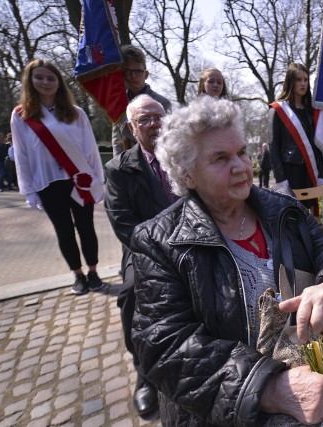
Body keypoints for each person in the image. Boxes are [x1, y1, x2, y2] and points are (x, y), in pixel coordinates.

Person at [130, 96, 323, 424]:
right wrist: (269, 386)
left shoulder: (282, 207)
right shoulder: (157, 242)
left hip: (321, 375)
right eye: (221, 158)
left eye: (241, 153)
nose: (241, 166)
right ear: (187, 174)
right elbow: (165, 347)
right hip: (233, 409)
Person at [103, 94, 176, 416]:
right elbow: (122, 223)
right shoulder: (119, 169)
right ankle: (144, 373)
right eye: (144, 119)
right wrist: (161, 250)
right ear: (132, 128)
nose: (153, 124)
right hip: (145, 251)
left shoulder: (185, 156)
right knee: (132, 293)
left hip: (195, 243)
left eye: (158, 116)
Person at [10, 59, 105, 295]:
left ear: (59, 82)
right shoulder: (21, 116)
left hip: (80, 179)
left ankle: (93, 271)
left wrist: (98, 179)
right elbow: (21, 155)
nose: (45, 82)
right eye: (39, 77)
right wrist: (28, 190)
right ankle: (78, 275)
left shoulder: (76, 113)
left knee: (86, 227)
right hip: (48, 182)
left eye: (51, 78)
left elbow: (91, 148)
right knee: (64, 231)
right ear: (30, 82)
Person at [269, 63, 323, 208]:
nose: (303, 84)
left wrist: (321, 173)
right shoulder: (278, 110)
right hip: (289, 171)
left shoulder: (311, 111)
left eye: (306, 80)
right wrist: (280, 178)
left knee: (307, 216)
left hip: (309, 170)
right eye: (298, 79)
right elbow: (273, 146)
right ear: (290, 81)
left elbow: (318, 143)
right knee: (291, 213)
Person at [111, 45, 171, 156]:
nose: (133, 76)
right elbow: (117, 142)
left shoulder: (162, 103)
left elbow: (167, 140)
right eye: (129, 71)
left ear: (146, 74)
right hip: (128, 164)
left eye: (138, 71)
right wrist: (119, 167)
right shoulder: (118, 104)